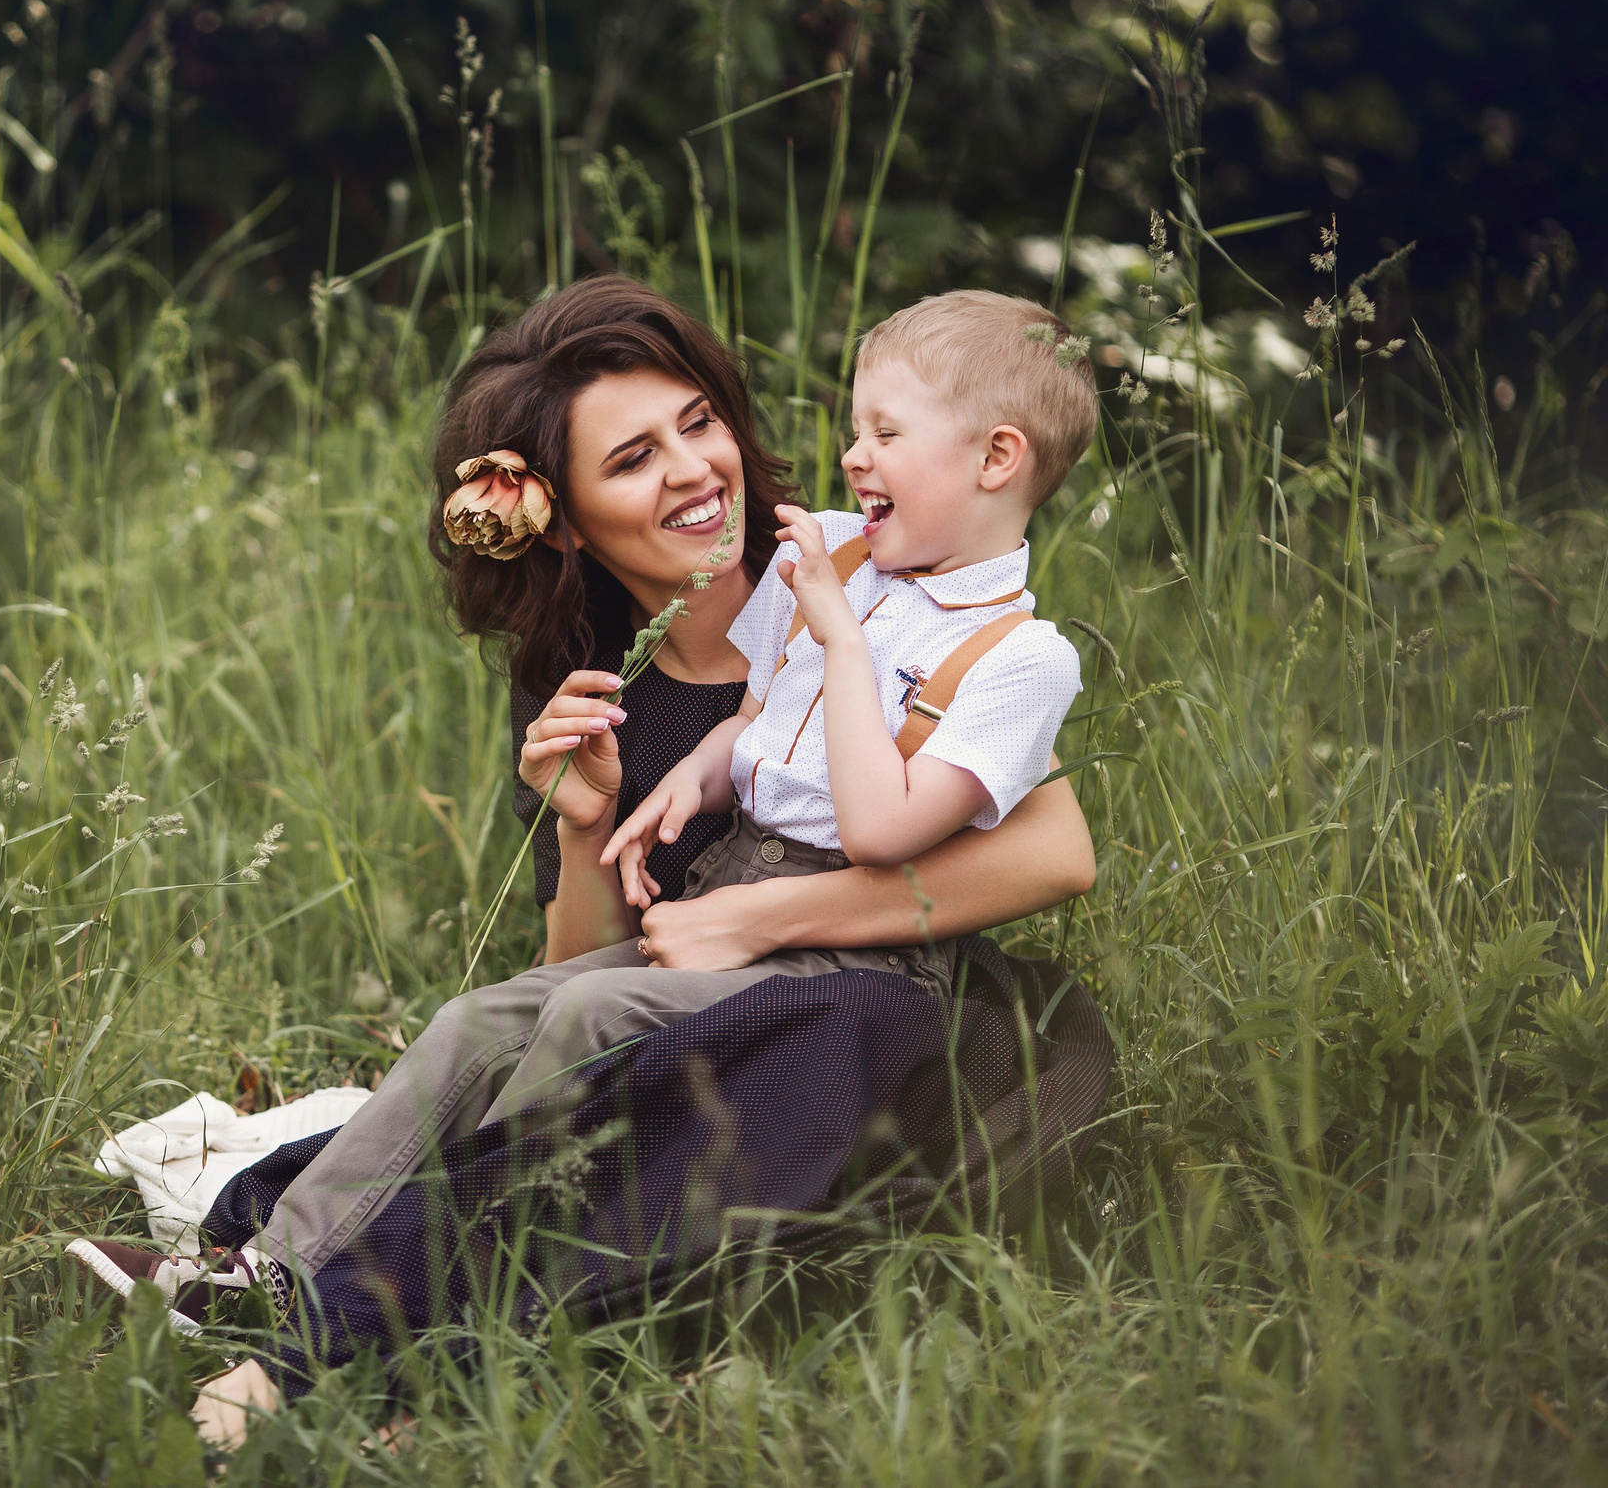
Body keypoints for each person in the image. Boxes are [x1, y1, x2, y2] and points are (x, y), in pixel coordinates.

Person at [65, 277, 1103, 1446]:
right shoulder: (592, 677)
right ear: (563, 519)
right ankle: (283, 1283)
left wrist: (764, 919)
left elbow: (1055, 851)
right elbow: (582, 966)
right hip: (668, 987)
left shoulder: (865, 569)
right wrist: (579, 818)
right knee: (489, 1026)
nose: (694, 473)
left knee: (599, 1038)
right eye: (633, 459)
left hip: (840, 1011)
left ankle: (406, 1338)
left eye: (699, 423)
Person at [591, 289, 1099, 1024]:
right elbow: (756, 720)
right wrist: (692, 778)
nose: (852, 455)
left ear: (996, 456)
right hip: (728, 875)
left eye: (886, 433)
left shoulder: (1020, 657)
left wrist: (845, 641)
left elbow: (877, 831)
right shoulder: (833, 550)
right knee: (509, 1020)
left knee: (594, 1023)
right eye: (857, 429)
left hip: (858, 954)